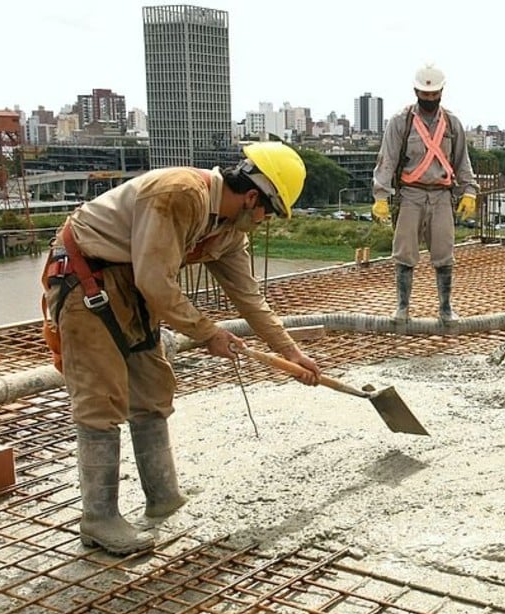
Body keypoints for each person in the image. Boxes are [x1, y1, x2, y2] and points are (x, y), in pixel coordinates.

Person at [40, 142, 321, 555]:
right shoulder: (179, 194)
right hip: (88, 281)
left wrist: (291, 352)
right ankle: (99, 519)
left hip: (131, 288)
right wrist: (208, 333)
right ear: (252, 197)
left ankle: (163, 497)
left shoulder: (226, 230)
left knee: (152, 391)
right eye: (269, 212)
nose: (264, 222)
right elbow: (156, 281)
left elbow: (248, 296)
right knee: (102, 399)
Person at [371, 62, 479, 323]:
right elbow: (387, 159)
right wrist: (381, 196)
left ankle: (445, 308)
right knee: (404, 252)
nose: (429, 98)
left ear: (442, 92)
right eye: (425, 94)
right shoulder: (401, 121)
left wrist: (470, 191)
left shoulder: (452, 123)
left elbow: (462, 160)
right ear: (416, 92)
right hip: (411, 194)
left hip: (442, 195)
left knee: (444, 252)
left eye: (433, 94)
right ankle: (402, 307)